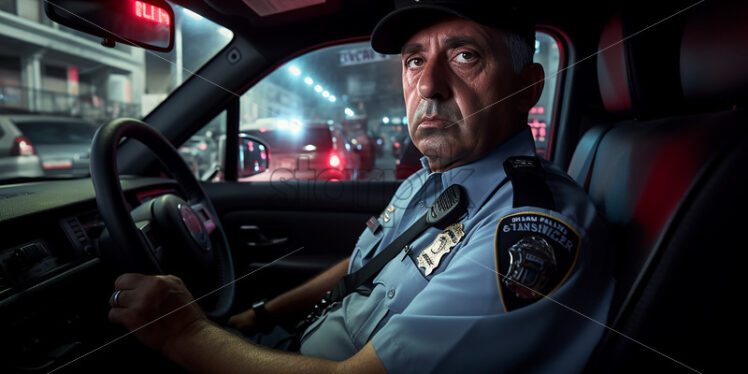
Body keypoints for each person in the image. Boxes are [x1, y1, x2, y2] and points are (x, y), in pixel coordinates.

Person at [108, 1, 614, 373]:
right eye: (415, 60)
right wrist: (251, 319)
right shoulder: (431, 178)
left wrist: (184, 332)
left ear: (528, 88)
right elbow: (359, 270)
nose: (429, 85)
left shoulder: (527, 231)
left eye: (464, 56)